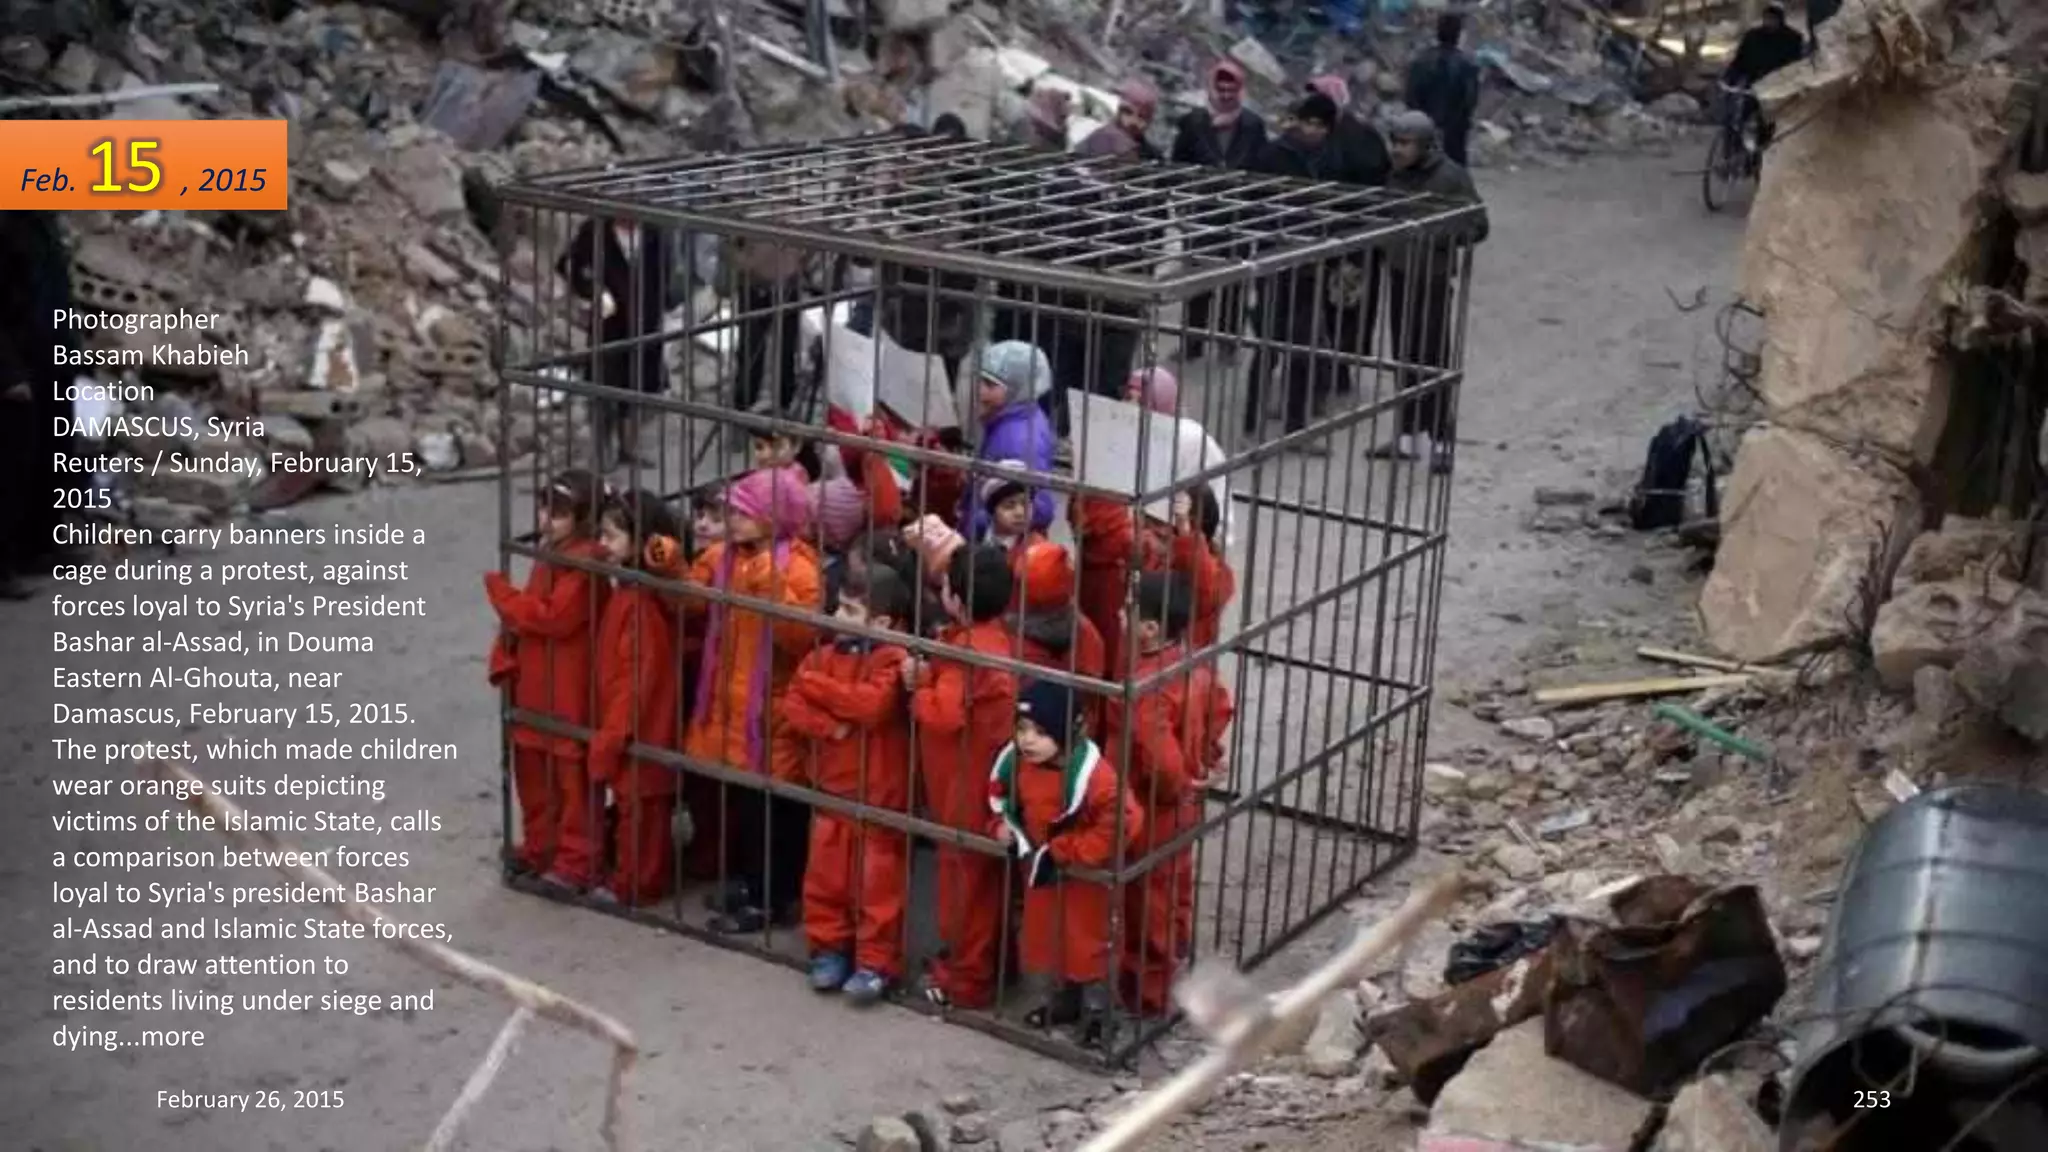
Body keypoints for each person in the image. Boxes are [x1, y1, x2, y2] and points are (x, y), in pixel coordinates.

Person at [684, 466, 824, 932]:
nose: (733, 518)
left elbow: (798, 638)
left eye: (744, 511)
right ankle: (753, 881)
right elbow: (693, 598)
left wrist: (770, 585)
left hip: (773, 709)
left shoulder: (797, 569)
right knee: (747, 803)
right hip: (736, 703)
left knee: (778, 811)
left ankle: (775, 896)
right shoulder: (729, 557)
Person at [774, 562, 916, 1004]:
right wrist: (830, 725)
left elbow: (871, 706)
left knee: (877, 883)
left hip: (879, 790)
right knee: (827, 876)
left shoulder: (893, 659)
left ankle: (876, 962)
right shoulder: (823, 655)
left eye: (850, 610)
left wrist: (817, 688)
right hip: (832, 784)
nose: (837, 616)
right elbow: (793, 705)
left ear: (882, 622)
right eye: (839, 606)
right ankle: (830, 948)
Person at [987, 679, 1143, 1046]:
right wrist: (999, 826)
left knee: (1091, 944)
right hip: (1047, 871)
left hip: (1086, 875)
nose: (1028, 740)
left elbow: (1123, 823)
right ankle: (1067, 1002)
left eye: (1041, 732)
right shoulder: (1016, 763)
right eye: (1022, 729)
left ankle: (1099, 1015)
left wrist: (1071, 850)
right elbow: (1001, 800)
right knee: (1055, 940)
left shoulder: (1096, 777)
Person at [1106, 572, 1233, 1015]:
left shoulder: (1146, 685)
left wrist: (1179, 781)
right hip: (1183, 801)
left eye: (1130, 612)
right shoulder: (1193, 664)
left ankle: (1148, 992)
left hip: (1152, 801)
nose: (1121, 617)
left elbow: (1158, 755)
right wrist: (1206, 756)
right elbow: (1221, 706)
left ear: (1151, 628)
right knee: (1174, 884)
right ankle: (1175, 958)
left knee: (1147, 896)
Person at [485, 470, 610, 889]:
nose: (545, 520)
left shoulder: (586, 563)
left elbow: (552, 617)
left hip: (569, 687)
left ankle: (577, 861)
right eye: (544, 509)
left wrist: (503, 596)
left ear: (583, 518)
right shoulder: (554, 554)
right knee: (535, 773)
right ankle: (542, 847)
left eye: (558, 513)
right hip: (539, 683)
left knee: (572, 779)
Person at [910, 546, 1021, 1010]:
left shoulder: (965, 655)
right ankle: (998, 964)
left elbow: (943, 714)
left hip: (962, 783)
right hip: (990, 778)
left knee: (964, 888)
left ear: (956, 598)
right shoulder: (998, 640)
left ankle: (966, 980)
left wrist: (919, 684)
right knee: (990, 881)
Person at [588, 489, 684, 907]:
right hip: (637, 726)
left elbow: (635, 682)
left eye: (610, 536)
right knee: (636, 808)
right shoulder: (632, 594)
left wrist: (614, 733)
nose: (602, 545)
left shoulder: (639, 605)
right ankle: (630, 878)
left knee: (640, 812)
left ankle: (635, 885)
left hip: (643, 729)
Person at [1381, 110, 1489, 474]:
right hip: (1399, 274)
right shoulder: (1395, 174)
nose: (1397, 150)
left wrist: (1434, 233)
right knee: (1403, 356)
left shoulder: (1451, 177)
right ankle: (1408, 435)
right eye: (1394, 142)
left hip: (1433, 278)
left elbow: (1478, 225)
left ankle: (1442, 439)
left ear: (1425, 145)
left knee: (1433, 359)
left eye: (1405, 143)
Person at [1250, 93, 1346, 448]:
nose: (1313, 130)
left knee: (1304, 347)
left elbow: (1339, 209)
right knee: (1268, 344)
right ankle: (1251, 422)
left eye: (1320, 125)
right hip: (1276, 261)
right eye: (1309, 122)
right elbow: (1252, 206)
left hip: (1311, 264)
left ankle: (1294, 425)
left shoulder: (1332, 159)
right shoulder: (1274, 156)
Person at [0, 212, 78, 598]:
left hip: (51, 357)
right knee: (12, 464)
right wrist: (8, 372)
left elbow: (54, 289)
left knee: (52, 452)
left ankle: (40, 543)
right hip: (20, 361)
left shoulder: (41, 223)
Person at [1172, 60, 1269, 360]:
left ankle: (1228, 343)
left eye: (1232, 89)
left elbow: (1262, 169)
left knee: (1234, 283)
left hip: (1238, 215)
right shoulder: (1193, 122)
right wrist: (1182, 205)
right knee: (1198, 282)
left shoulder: (1253, 125)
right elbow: (1177, 165)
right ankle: (1193, 343)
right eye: (1221, 88)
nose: (1225, 95)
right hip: (1201, 214)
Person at [559, 217, 672, 469]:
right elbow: (571, 266)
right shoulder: (595, 231)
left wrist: (660, 304)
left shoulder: (654, 230)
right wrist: (593, 291)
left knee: (637, 387)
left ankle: (628, 448)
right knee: (604, 386)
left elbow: (665, 270)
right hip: (609, 324)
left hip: (645, 321)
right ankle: (602, 450)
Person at [965, 342, 1058, 537]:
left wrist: (979, 524)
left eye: (991, 385)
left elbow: (1040, 507)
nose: (980, 391)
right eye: (980, 380)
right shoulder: (1014, 418)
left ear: (1018, 390)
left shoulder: (1018, 441)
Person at [1723, 2, 1808, 150]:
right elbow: (1739, 62)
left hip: (1778, 90)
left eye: (1773, 19)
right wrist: (1729, 80)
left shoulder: (1792, 39)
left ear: (1781, 19)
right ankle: (1736, 155)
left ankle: (1765, 154)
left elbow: (1796, 67)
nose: (1769, 22)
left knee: (1769, 127)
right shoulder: (1752, 37)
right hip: (1754, 87)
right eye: (1767, 18)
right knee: (1739, 120)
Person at [1404, 13, 1482, 167]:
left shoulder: (1421, 61)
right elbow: (1470, 100)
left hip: (1423, 129)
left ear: (1437, 32)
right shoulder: (1467, 65)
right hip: (1455, 133)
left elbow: (1410, 96)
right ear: (1459, 35)